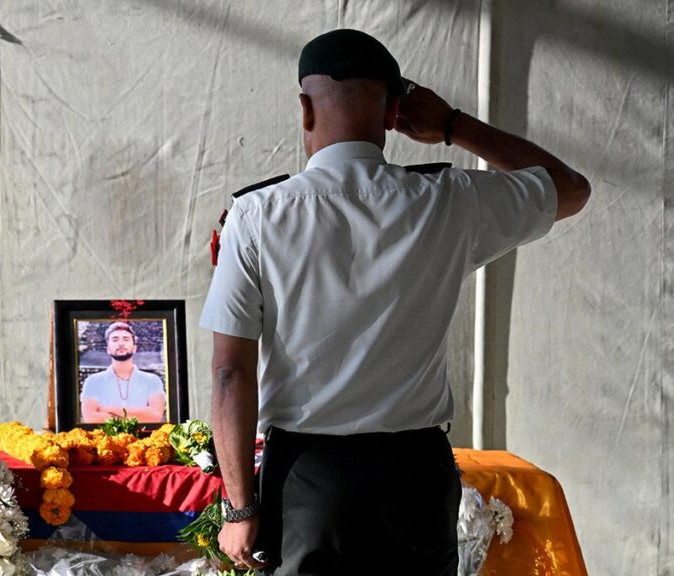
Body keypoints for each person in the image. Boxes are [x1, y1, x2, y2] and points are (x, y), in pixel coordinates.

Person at [199, 29, 590, 574]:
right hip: (414, 476)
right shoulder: (447, 201)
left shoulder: (258, 216)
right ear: (394, 114)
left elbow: (230, 373)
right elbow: (569, 187)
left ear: (304, 110)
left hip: (310, 479)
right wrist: (455, 125)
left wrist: (239, 506)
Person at [80, 321, 167, 423]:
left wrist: (108, 410)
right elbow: (90, 418)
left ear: (134, 348)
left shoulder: (152, 381)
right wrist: (139, 415)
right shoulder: (93, 381)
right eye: (115, 339)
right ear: (108, 349)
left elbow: (155, 417)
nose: (121, 343)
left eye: (126, 339)